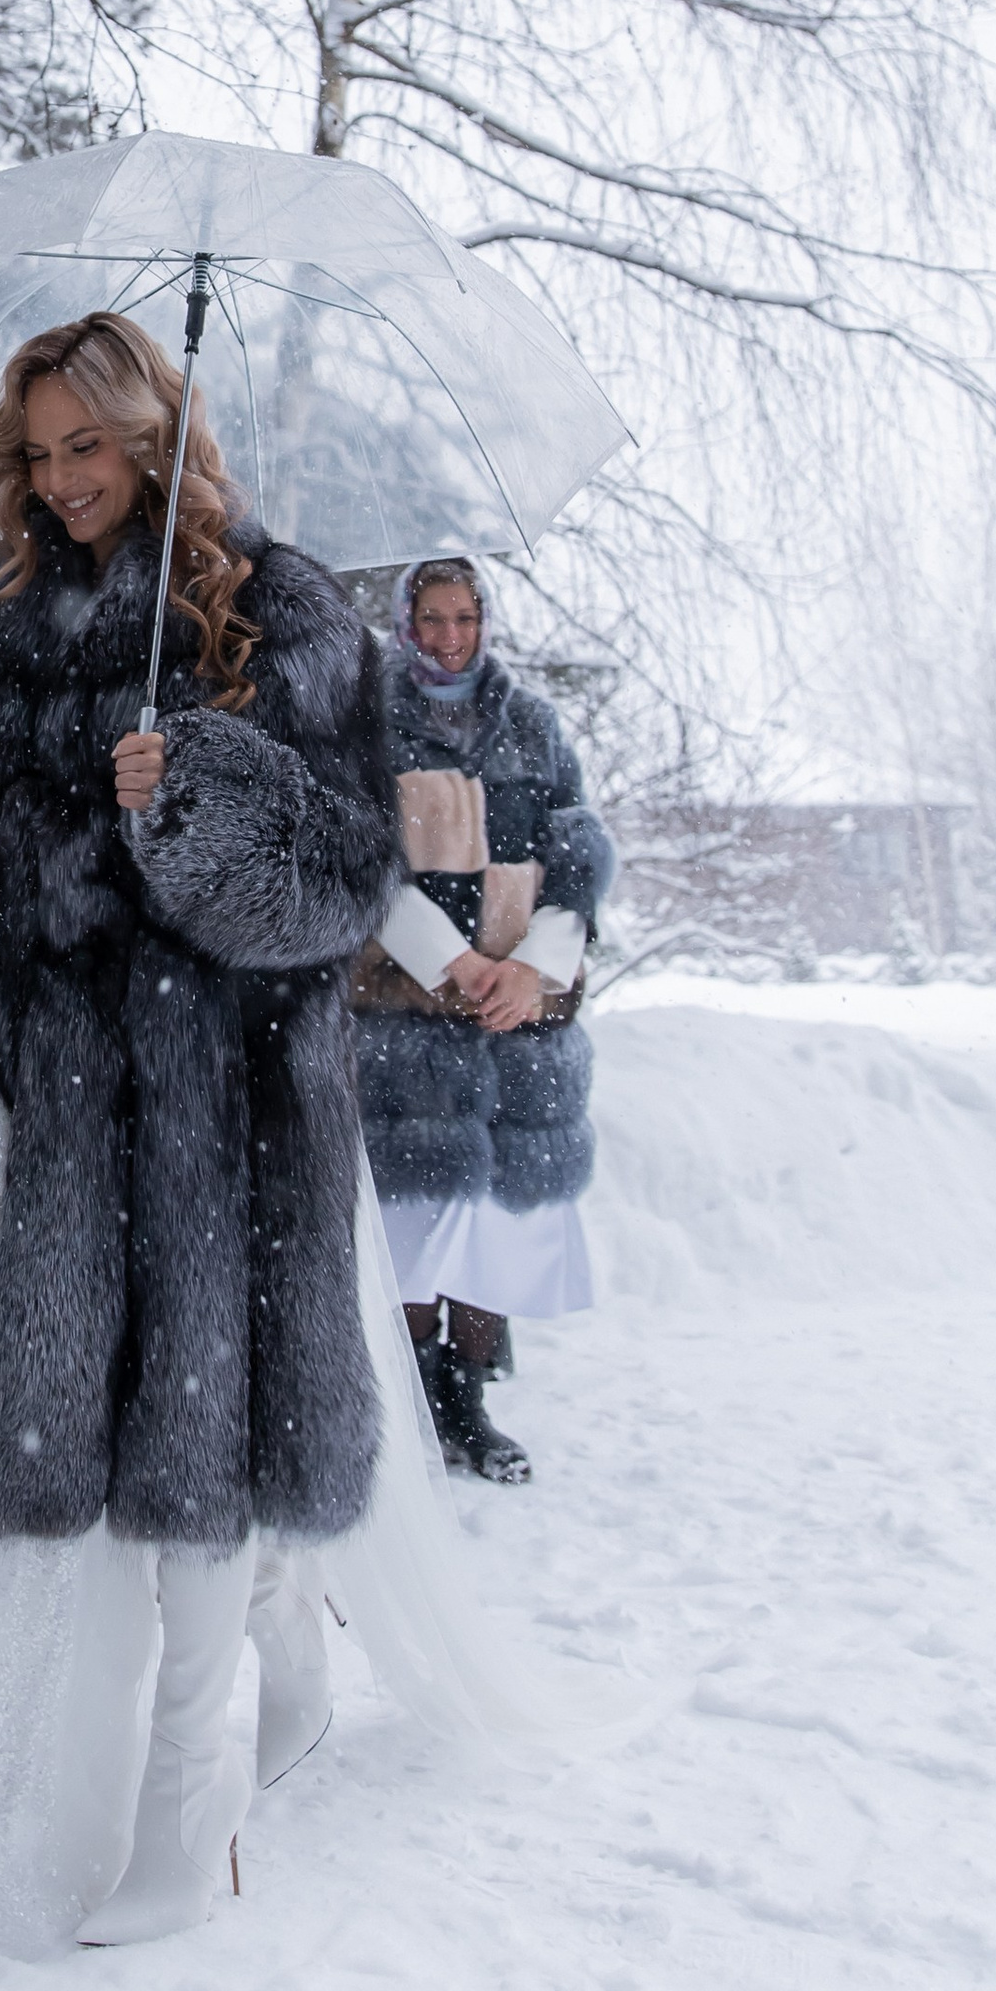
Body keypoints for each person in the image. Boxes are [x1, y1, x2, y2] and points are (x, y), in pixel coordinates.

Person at [0, 314, 399, 1943]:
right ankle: (246, 1685)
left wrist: (194, 795)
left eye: (89, 446)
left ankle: (193, 1816)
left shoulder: (278, 607)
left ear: (153, 434)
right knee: (107, 1469)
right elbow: (1, 886)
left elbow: (347, 875)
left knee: (199, 1463)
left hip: (225, 1104)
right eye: (38, 454)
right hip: (66, 1103)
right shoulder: (3, 627)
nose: (62, 480)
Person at [351, 554, 616, 1486]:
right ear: (405, 622)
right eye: (431, 617)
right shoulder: (368, 720)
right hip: (406, 1024)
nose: (449, 636)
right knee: (418, 1220)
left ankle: (470, 1402)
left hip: (517, 1024)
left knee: (493, 1230)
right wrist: (450, 962)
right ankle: (418, 1402)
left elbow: (576, 853)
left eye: (464, 617)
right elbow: (364, 860)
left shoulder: (532, 724)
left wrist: (531, 967)